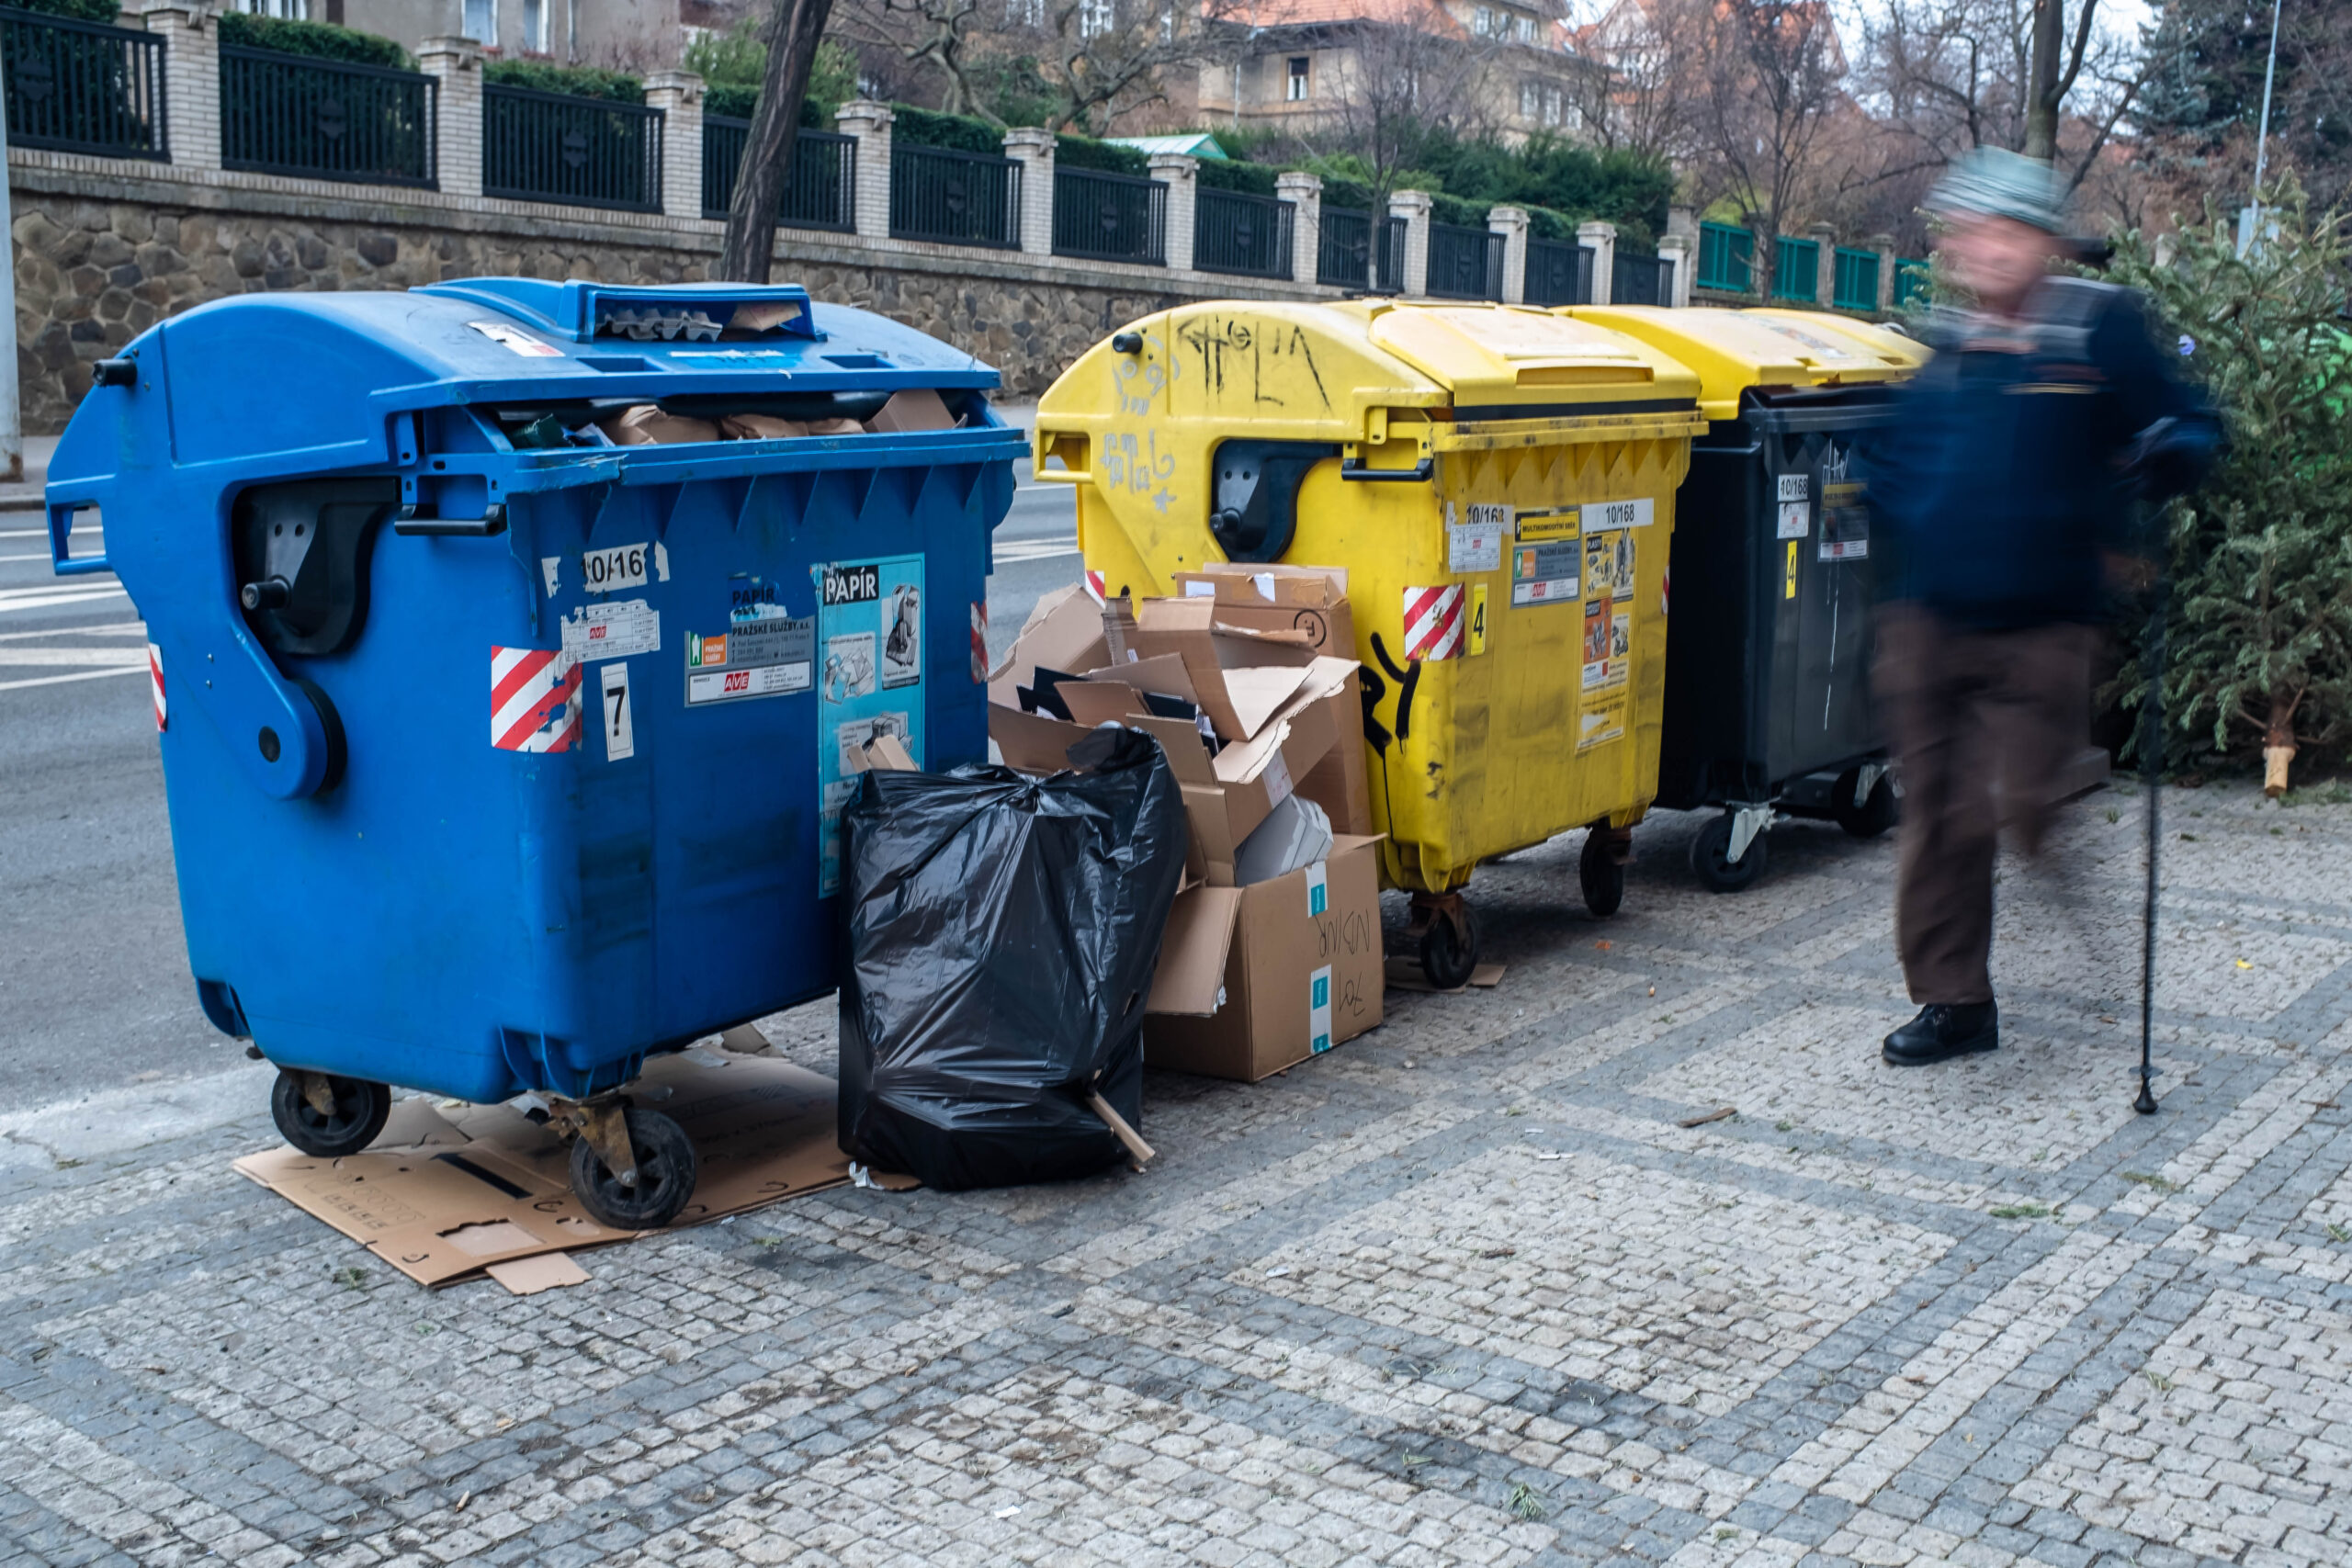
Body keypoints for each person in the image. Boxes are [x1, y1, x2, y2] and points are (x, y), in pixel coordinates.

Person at [1862, 148, 2219, 1066]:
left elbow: (2188, 419)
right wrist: (1898, 507)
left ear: (2044, 242)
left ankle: (2040, 832)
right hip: (1932, 618)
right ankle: (1955, 1003)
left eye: (2005, 230)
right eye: (1969, 231)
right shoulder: (1945, 339)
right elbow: (1899, 457)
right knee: (1937, 817)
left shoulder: (2101, 329)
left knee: (2011, 806)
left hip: (2045, 622)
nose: (1983, 247)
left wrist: (2171, 448)